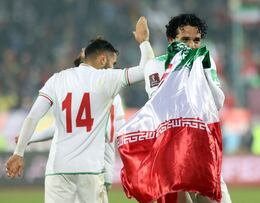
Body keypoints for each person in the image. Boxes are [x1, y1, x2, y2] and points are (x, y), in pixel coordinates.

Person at [5, 16, 154, 203]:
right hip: (90, 169)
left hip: (57, 169)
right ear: (102, 59)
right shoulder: (107, 79)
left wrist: (18, 153)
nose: (113, 67)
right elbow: (147, 69)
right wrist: (144, 42)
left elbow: (33, 116)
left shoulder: (56, 79)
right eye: (112, 63)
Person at [14, 52, 126, 203]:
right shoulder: (112, 95)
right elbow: (116, 131)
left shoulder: (99, 94)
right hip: (100, 166)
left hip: (88, 164)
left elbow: (55, 126)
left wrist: (30, 139)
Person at [143, 13, 231, 203]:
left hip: (202, 148)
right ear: (170, 40)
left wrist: (206, 71)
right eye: (185, 39)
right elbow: (159, 103)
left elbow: (217, 103)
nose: (191, 45)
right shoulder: (155, 65)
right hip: (171, 150)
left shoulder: (205, 63)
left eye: (196, 40)